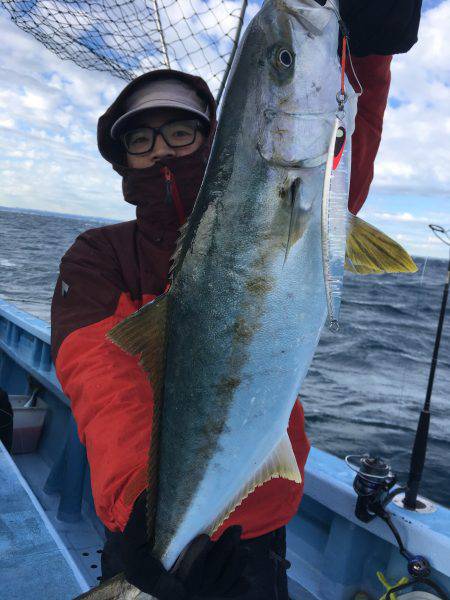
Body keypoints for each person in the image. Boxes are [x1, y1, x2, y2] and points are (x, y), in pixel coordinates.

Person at [51, 3, 422, 598]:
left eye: (179, 130)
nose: (162, 150)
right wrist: (144, 502)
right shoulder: (98, 256)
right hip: (147, 527)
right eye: (140, 139)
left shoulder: (304, 197)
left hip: (257, 522)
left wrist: (371, 56)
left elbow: (340, 143)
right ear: (121, 161)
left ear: (214, 137)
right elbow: (99, 374)